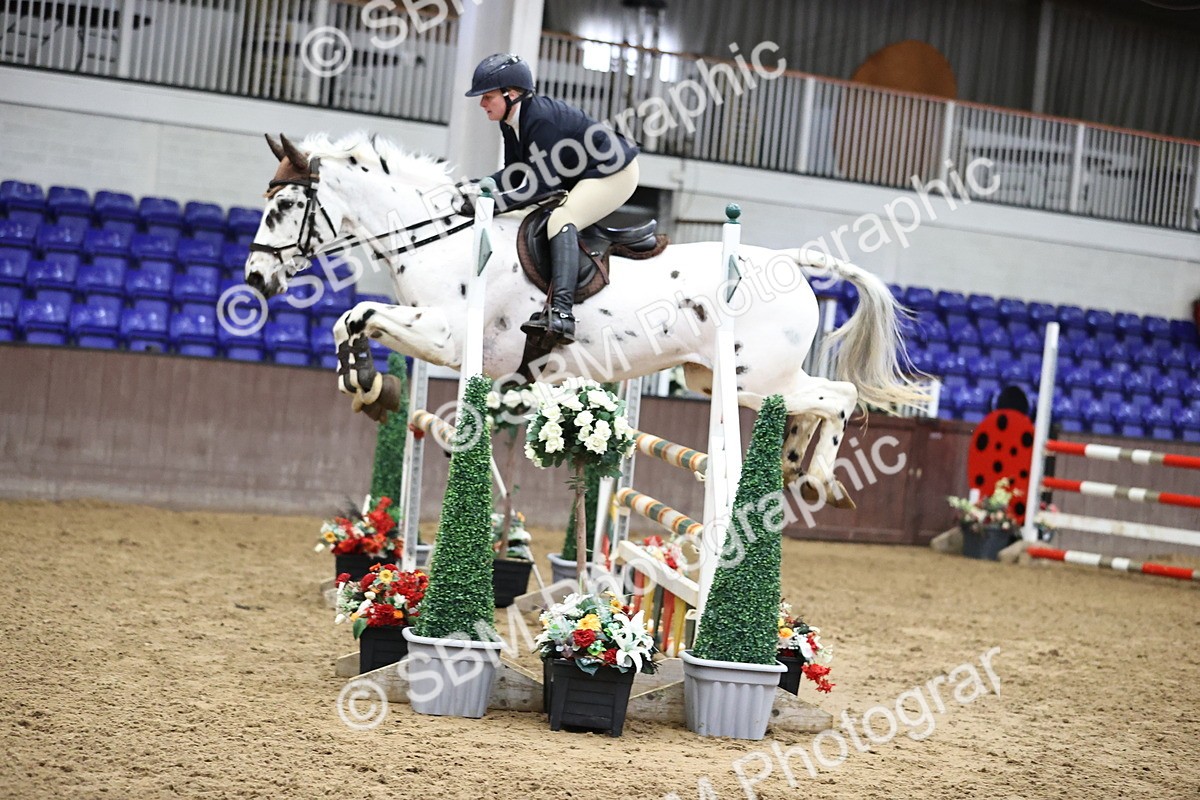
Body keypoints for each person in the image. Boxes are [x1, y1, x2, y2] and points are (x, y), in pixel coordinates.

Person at [464, 52, 641, 347]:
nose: (482, 103)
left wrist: (490, 204)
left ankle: (562, 313)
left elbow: (541, 188)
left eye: (488, 96)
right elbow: (515, 174)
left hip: (614, 171)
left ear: (511, 94)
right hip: (585, 174)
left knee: (561, 218)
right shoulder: (510, 122)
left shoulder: (541, 120)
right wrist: (476, 187)